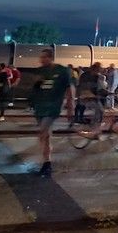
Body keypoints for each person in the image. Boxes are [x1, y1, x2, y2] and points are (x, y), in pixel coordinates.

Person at [29, 47, 74, 177]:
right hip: (40, 107)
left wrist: (70, 106)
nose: (41, 60)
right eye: (41, 57)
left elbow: (69, 88)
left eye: (44, 57)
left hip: (53, 107)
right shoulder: (39, 71)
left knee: (43, 132)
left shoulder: (62, 71)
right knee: (47, 136)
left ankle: (46, 162)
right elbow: (35, 88)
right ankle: (47, 163)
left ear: (50, 58)